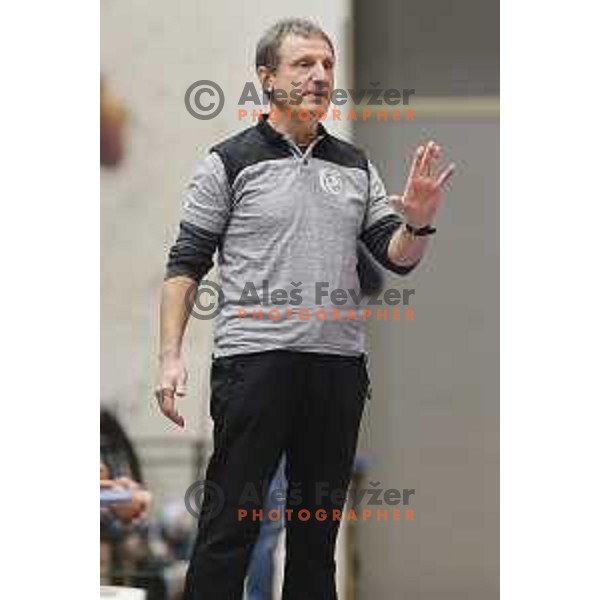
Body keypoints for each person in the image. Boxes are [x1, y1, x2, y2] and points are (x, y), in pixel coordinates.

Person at [155, 18, 455, 600]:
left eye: (327, 65)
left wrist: (418, 221)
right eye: (303, 65)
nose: (320, 76)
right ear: (267, 79)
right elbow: (185, 266)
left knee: (316, 542)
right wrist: (169, 357)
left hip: (336, 370)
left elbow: (398, 256)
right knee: (230, 530)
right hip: (253, 365)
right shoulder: (228, 163)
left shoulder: (354, 165)